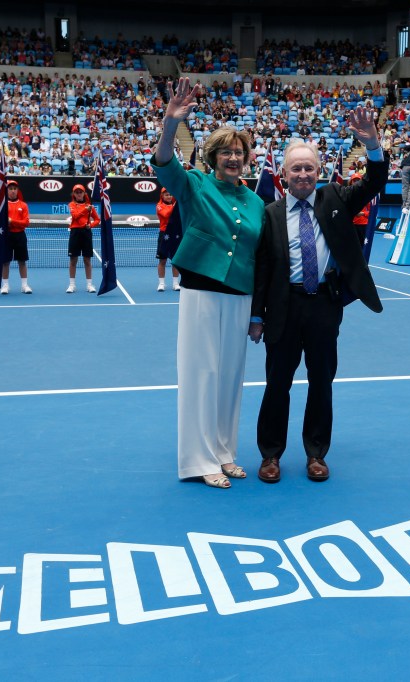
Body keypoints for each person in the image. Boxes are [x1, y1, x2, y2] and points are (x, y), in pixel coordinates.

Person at [249, 107, 387, 483]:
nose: (304, 174)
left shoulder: (336, 199)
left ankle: (315, 454)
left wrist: (372, 143)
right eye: (296, 169)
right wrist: (256, 315)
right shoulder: (270, 214)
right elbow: (262, 268)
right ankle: (271, 456)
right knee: (278, 385)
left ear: (318, 172)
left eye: (309, 168)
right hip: (282, 307)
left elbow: (375, 182)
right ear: (284, 175)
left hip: (325, 304)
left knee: (321, 383)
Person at [152, 76, 265, 489]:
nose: (233, 159)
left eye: (239, 153)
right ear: (213, 157)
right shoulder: (194, 185)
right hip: (201, 293)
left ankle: (223, 452)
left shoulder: (256, 202)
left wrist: (258, 314)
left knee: (230, 378)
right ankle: (199, 461)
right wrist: (171, 122)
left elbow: (258, 256)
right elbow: (164, 162)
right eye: (227, 153)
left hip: (240, 296)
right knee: (201, 376)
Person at [65, 183, 98, 293]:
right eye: (77, 192)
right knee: (73, 259)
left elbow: (97, 220)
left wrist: (91, 225)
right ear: (74, 194)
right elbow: (75, 216)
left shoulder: (90, 206)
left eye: (81, 192)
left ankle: (89, 285)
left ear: (84, 193)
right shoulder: (71, 204)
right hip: (75, 233)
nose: (79, 194)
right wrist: (86, 209)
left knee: (87, 259)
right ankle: (72, 285)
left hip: (86, 233)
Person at [1, 180, 32, 294]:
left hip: (20, 235)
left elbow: (26, 222)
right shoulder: (3, 205)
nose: (13, 191)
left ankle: (24, 285)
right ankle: (5, 286)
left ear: (17, 190)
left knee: (22, 261)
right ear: (7, 190)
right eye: (10, 189)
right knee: (5, 262)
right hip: (7, 236)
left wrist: (12, 221)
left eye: (14, 189)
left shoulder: (23, 205)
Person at [155, 188, 181, 292]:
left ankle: (176, 283)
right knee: (163, 260)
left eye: (170, 194)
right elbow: (167, 214)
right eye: (166, 195)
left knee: (175, 260)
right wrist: (176, 205)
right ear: (162, 196)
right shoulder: (159, 206)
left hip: (176, 234)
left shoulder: (176, 205)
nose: (169, 196)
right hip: (164, 234)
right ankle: (161, 284)